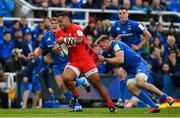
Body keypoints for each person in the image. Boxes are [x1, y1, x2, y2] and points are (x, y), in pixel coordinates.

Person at [54, 12, 116, 112]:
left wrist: (64, 40)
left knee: (97, 84)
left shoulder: (76, 28)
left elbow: (79, 40)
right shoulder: (59, 33)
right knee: (65, 78)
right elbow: (58, 47)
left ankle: (111, 105)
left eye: (61, 21)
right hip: (74, 61)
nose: (59, 24)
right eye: (58, 22)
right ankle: (75, 94)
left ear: (67, 20)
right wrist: (56, 49)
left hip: (87, 60)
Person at [95, 35, 174, 113]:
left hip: (139, 65)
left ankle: (166, 97)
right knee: (130, 87)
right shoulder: (107, 50)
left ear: (107, 42)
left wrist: (105, 59)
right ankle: (154, 106)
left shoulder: (116, 44)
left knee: (140, 81)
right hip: (130, 70)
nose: (102, 49)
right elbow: (97, 61)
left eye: (102, 46)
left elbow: (120, 60)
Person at [28, 17, 90, 111]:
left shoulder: (65, 33)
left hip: (69, 62)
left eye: (56, 23)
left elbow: (77, 44)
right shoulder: (46, 37)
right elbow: (40, 49)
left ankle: (81, 82)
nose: (54, 25)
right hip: (56, 64)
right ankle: (77, 105)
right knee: (61, 85)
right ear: (49, 25)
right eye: (52, 23)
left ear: (59, 24)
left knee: (68, 82)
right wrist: (34, 54)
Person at [110, 6, 152, 107]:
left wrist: (138, 46)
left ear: (127, 14)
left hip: (135, 56)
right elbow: (110, 41)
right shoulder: (115, 26)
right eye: (120, 13)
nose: (122, 15)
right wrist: (115, 40)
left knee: (137, 80)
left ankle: (122, 100)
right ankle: (122, 100)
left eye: (123, 13)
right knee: (122, 74)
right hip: (123, 56)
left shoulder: (134, 25)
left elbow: (148, 35)